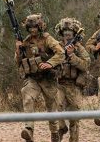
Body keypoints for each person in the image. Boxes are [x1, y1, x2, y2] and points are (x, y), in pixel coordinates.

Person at [15, 14, 65, 142]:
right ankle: (29, 129)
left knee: (51, 108)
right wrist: (18, 51)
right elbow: (18, 62)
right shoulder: (25, 41)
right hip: (34, 78)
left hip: (48, 78)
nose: (32, 30)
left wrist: (49, 63)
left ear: (40, 26)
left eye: (35, 27)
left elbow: (61, 53)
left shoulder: (47, 39)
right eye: (30, 27)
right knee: (26, 95)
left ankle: (54, 133)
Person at [54, 18, 90, 142]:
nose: (67, 36)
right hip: (59, 85)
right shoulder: (56, 46)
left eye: (70, 34)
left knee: (75, 117)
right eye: (65, 34)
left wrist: (72, 56)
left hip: (74, 86)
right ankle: (62, 128)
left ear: (74, 35)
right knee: (57, 106)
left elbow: (86, 64)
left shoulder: (79, 48)